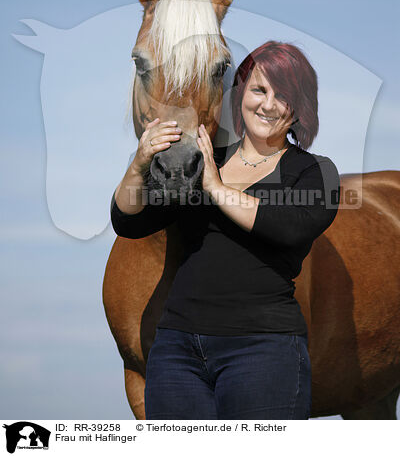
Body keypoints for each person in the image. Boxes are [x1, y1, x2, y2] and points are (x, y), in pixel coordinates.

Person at [110, 40, 340, 420]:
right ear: (239, 96)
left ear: (301, 107)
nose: (268, 105)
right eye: (259, 90)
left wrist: (216, 189)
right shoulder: (201, 163)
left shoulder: (315, 171)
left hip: (262, 349)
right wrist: (138, 165)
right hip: (177, 352)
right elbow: (129, 222)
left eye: (283, 95)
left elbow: (290, 227)